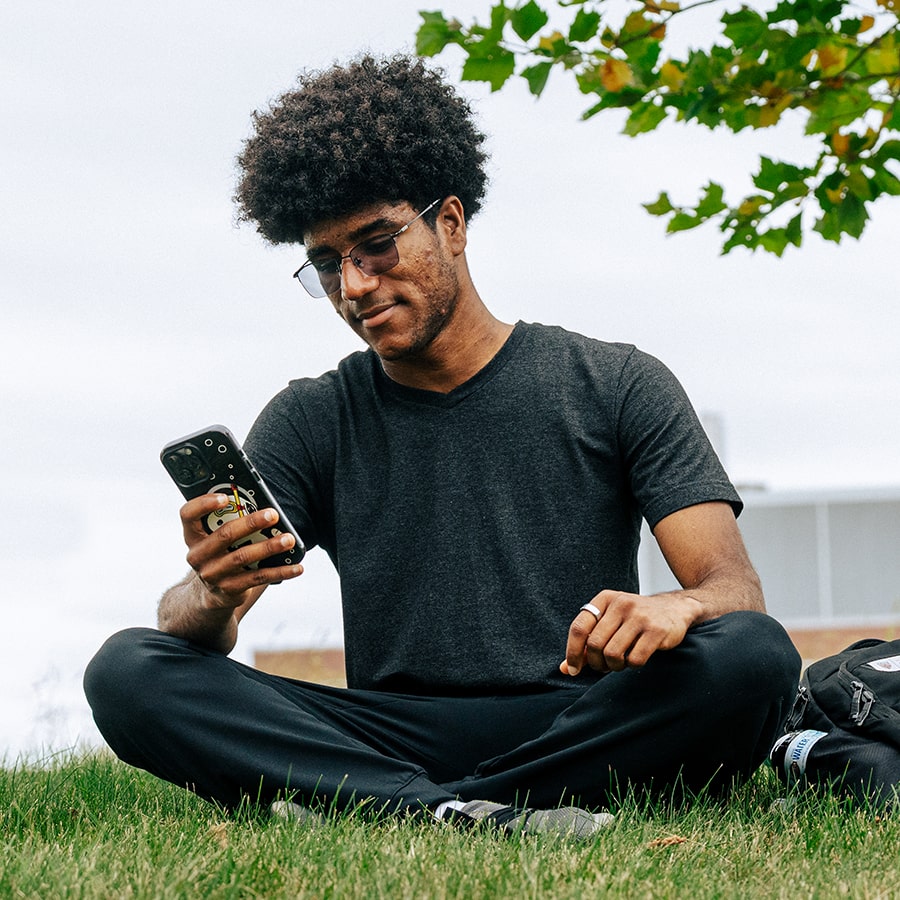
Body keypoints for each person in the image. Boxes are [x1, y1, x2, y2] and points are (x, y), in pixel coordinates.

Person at [84, 54, 800, 839]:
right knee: (128, 671)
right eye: (327, 264)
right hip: (391, 728)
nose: (353, 286)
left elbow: (734, 589)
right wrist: (212, 594)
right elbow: (197, 631)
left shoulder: (615, 381)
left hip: (582, 716)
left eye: (376, 245)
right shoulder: (312, 416)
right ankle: (466, 812)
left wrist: (678, 606)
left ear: (450, 224)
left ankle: (386, 806)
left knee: (752, 655)